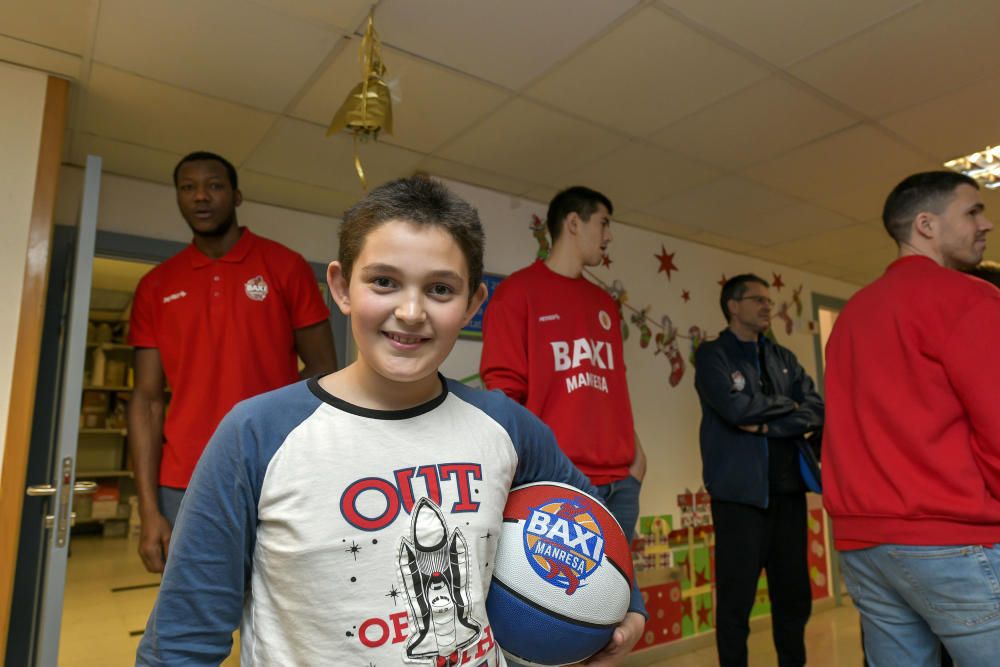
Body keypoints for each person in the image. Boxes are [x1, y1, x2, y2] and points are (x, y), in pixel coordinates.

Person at [135, 177, 646, 666]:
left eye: (440, 290)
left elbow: (591, 521)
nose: (410, 311)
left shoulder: (506, 425)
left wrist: (630, 606)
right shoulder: (256, 434)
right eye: (384, 281)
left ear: (472, 305)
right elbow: (182, 640)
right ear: (341, 287)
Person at [127, 151, 337, 573]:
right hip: (185, 478)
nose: (201, 196)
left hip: (275, 471)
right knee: (196, 616)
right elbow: (147, 400)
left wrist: (276, 423)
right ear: (178, 198)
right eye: (188, 188)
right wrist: (148, 511)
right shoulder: (156, 286)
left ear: (237, 195)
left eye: (214, 186)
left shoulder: (285, 267)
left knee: (278, 614)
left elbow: (323, 374)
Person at [823, 170, 1000, 665]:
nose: (985, 223)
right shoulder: (970, 298)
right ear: (926, 224)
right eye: (971, 212)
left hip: (865, 544)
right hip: (950, 535)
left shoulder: (853, 315)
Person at [480, 186, 646, 542]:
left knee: (620, 597)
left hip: (622, 483)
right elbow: (503, 394)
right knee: (564, 596)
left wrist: (636, 457)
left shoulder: (604, 303)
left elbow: (613, 386)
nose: (609, 236)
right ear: (573, 222)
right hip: (559, 480)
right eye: (603, 224)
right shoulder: (518, 292)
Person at [693, 274, 823, 667]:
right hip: (739, 499)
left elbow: (817, 408)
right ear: (734, 306)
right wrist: (788, 410)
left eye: (770, 300)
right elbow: (734, 410)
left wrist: (767, 423)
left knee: (794, 600)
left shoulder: (783, 358)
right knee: (735, 604)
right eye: (759, 300)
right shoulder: (713, 355)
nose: (769, 306)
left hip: (789, 496)